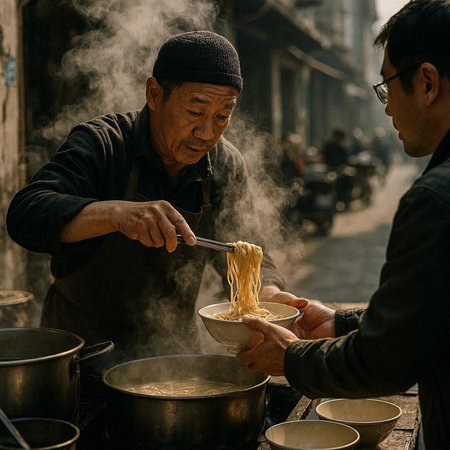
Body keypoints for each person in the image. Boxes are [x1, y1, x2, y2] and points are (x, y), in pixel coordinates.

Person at [6, 31, 297, 448]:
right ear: (155, 93)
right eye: (195, 110)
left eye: (223, 115)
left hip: (168, 361)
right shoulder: (103, 143)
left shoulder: (223, 165)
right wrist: (116, 214)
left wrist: (268, 294)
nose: (206, 132)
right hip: (82, 365)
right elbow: (26, 213)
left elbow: (246, 246)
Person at [237, 1, 450, 447]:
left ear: (427, 82)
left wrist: (291, 358)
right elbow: (428, 317)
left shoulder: (435, 199)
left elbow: (386, 360)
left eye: (389, 87)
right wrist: (340, 322)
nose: (388, 110)